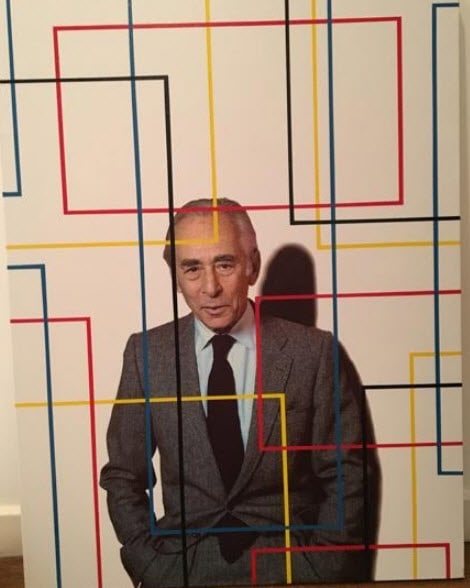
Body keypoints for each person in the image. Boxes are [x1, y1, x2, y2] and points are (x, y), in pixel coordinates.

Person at [100, 198, 380, 588]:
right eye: (192, 268)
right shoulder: (146, 354)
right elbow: (123, 474)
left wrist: (325, 564)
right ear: (175, 275)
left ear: (253, 265)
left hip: (290, 566)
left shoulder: (314, 352)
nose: (210, 288)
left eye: (225, 264)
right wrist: (148, 561)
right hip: (182, 567)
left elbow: (346, 472)